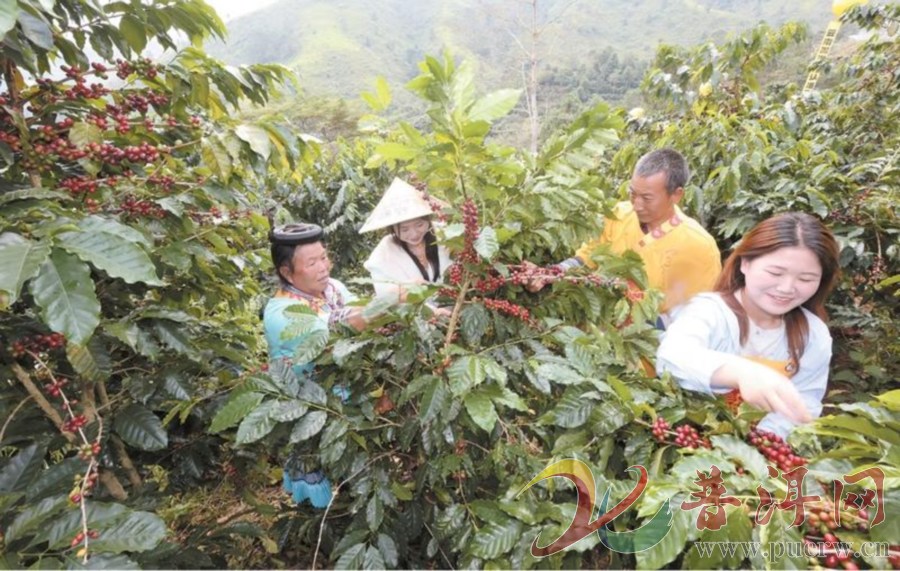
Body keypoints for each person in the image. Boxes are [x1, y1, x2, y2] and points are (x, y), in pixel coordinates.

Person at [656, 212, 840, 437]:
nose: (786, 288)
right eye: (775, 272)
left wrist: (759, 445)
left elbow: (803, 403)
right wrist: (741, 372)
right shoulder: (709, 311)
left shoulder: (813, 335)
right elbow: (672, 357)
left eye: (805, 279)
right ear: (745, 263)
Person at [527, 148, 721, 326]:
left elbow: (696, 320)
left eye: (647, 198)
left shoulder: (698, 247)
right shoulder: (619, 214)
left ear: (676, 195)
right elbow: (587, 257)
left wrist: (634, 320)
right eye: (632, 193)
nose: (637, 205)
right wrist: (553, 273)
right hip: (598, 339)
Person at [263, 222, 365, 509]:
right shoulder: (280, 312)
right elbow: (339, 328)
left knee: (352, 462)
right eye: (312, 263)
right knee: (312, 462)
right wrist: (391, 304)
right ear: (287, 272)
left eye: (324, 257)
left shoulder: (333, 288)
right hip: (308, 405)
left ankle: (352, 502)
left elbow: (358, 309)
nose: (324, 267)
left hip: (344, 396)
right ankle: (315, 515)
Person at [359, 178, 451, 303]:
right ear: (393, 228)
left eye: (419, 225)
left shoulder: (445, 234)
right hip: (414, 313)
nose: (414, 234)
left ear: (428, 219)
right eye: (404, 229)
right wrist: (407, 289)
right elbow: (385, 295)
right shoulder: (385, 251)